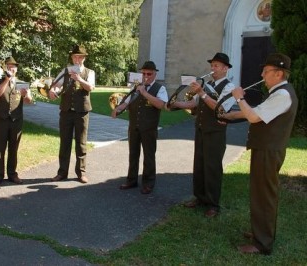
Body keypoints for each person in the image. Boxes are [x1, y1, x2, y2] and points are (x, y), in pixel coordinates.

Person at [220, 53, 298, 255]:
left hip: (268, 151)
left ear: (279, 73)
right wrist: (233, 115)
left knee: (264, 196)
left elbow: (254, 116)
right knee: (261, 194)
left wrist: (239, 97)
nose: (262, 74)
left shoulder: (282, 95)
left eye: (266, 71)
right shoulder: (277, 93)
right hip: (266, 149)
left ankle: (262, 243)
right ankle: (260, 233)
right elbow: (259, 111)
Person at [170, 52, 235, 217]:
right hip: (200, 129)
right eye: (212, 65)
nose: (213, 69)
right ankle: (199, 198)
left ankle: (213, 204)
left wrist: (202, 92)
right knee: (199, 165)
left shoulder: (230, 87)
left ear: (226, 68)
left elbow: (220, 108)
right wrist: (175, 103)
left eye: (217, 66)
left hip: (215, 132)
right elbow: (195, 103)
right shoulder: (207, 85)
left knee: (212, 167)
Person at [112, 61, 168, 194]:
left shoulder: (160, 89)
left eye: (149, 74)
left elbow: (161, 105)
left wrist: (145, 93)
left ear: (155, 74)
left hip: (149, 128)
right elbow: (126, 102)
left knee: (149, 156)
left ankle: (148, 183)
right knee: (133, 154)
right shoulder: (135, 87)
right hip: (134, 127)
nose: (146, 76)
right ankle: (131, 180)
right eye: (143, 73)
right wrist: (117, 109)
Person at [48, 44, 95, 183]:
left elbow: (90, 87)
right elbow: (56, 85)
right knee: (65, 142)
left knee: (81, 143)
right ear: (72, 57)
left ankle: (81, 173)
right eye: (75, 56)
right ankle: (62, 172)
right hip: (66, 112)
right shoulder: (65, 71)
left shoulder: (89, 72)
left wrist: (79, 79)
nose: (77, 59)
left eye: (80, 57)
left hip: (82, 112)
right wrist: (53, 90)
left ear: (84, 58)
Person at [0, 56, 32, 187]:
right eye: (8, 66)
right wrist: (6, 81)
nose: (11, 68)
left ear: (16, 68)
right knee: (0, 149)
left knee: (14, 149)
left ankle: (12, 174)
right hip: (1, 119)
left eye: (13, 66)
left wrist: (26, 95)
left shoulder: (22, 83)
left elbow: (28, 102)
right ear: (4, 68)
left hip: (16, 120)